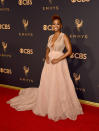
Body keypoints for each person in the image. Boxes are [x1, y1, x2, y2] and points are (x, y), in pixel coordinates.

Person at [6, 14, 84, 122]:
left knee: (59, 84)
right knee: (48, 82)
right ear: (52, 26)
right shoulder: (50, 37)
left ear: (61, 25)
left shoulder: (63, 36)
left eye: (57, 24)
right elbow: (47, 48)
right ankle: (47, 103)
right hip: (49, 63)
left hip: (59, 63)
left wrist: (58, 59)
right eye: (53, 24)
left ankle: (59, 105)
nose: (55, 26)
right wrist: (46, 55)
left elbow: (69, 51)